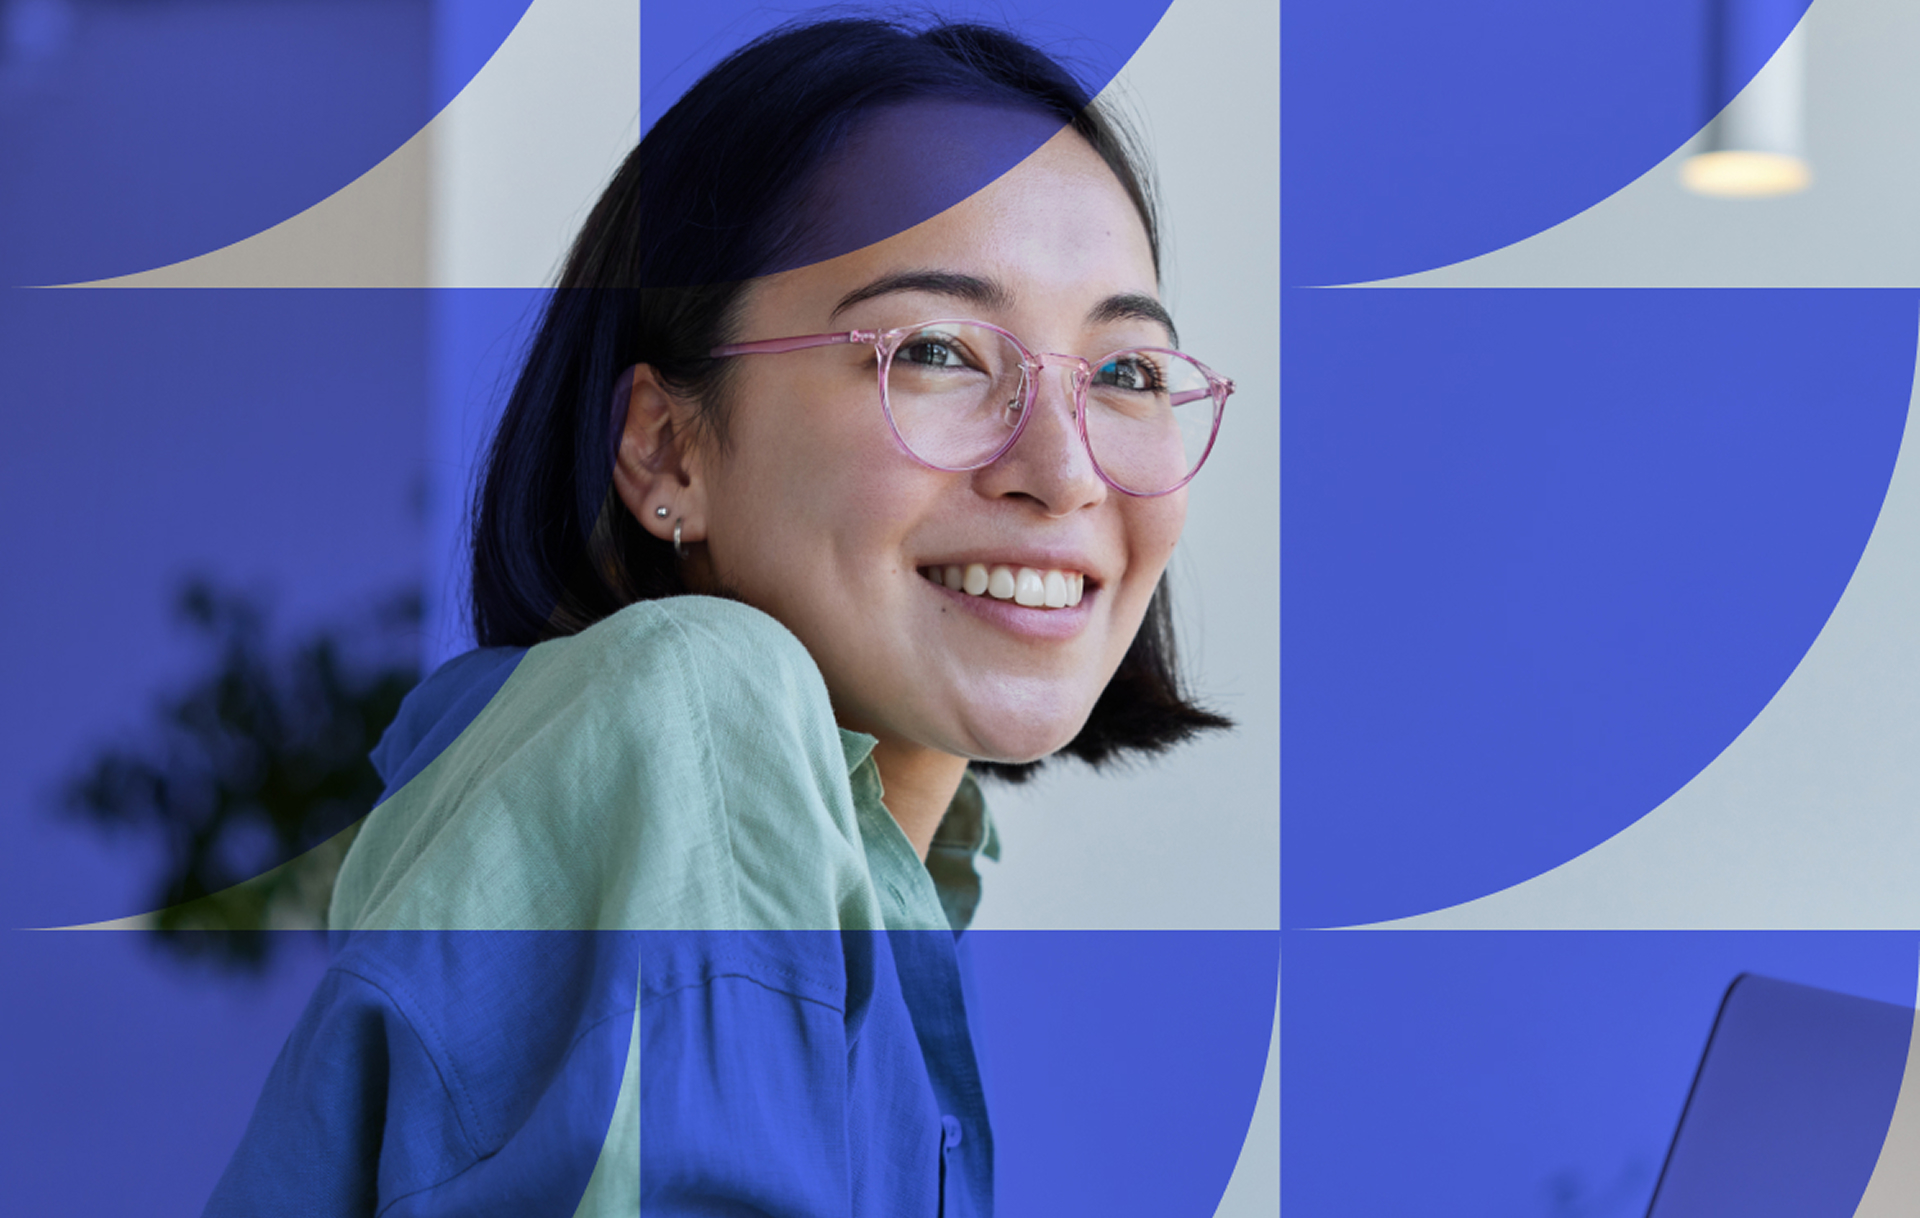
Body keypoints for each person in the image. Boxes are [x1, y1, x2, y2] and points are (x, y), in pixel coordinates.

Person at [205, 15, 1232, 1217]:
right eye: (940, 350)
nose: (1062, 471)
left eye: (1127, 373)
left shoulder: (866, 887)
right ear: (665, 446)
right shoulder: (697, 701)